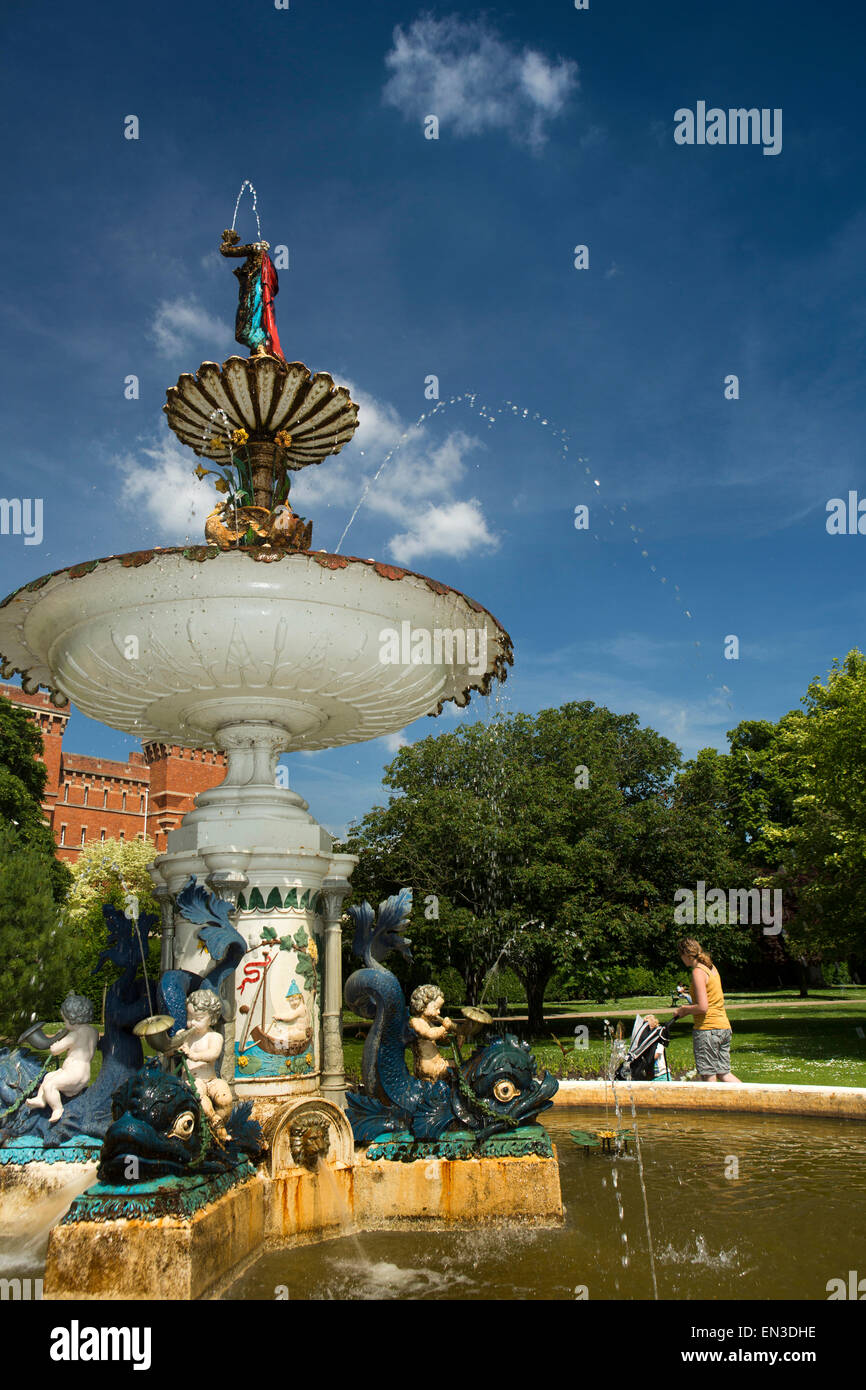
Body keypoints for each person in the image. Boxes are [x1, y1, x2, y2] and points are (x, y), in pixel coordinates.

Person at [672, 938, 740, 1083]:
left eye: (680, 955)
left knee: (708, 1076)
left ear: (686, 954)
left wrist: (684, 1009)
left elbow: (703, 1007)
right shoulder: (711, 968)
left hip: (707, 1029)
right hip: (723, 1027)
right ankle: (750, 1100)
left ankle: (713, 1106)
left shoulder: (698, 972)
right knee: (724, 1073)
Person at [25, 993, 98, 1123]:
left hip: (74, 1074)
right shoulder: (93, 1031)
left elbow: (55, 1050)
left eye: (65, 1020)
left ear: (72, 1018)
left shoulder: (74, 1035)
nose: (65, 1023)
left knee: (50, 1085)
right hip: (83, 1074)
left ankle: (57, 1109)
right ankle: (41, 1100)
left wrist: (56, 1041)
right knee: (48, 1077)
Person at [408, 984, 459, 1081]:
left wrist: (450, 1036)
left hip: (437, 1063)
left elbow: (438, 1036)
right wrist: (443, 1027)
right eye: (436, 1008)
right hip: (429, 1068)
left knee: (457, 1064)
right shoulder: (416, 1021)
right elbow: (430, 1034)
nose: (439, 1012)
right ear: (423, 1004)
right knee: (458, 1067)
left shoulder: (428, 1023)